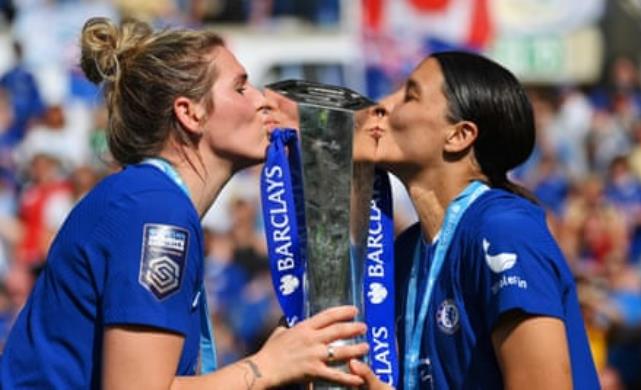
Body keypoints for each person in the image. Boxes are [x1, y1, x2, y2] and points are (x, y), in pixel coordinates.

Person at [0, 18, 369, 389]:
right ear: (189, 112)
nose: (262, 100)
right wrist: (265, 367)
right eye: (241, 87)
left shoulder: (146, 198)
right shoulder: (155, 211)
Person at [350, 51, 600, 389]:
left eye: (409, 95)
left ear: (458, 135)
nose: (382, 104)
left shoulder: (503, 231)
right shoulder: (407, 250)